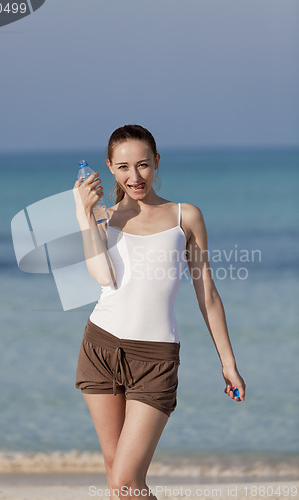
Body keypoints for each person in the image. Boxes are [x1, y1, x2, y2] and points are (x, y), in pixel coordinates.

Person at [73, 124, 246, 500]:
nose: (134, 177)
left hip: (155, 358)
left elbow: (208, 294)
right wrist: (82, 213)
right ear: (109, 167)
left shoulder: (186, 217)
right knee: (115, 474)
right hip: (100, 347)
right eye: (123, 167)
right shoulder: (104, 216)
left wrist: (228, 362)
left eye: (143, 165)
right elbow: (103, 277)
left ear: (156, 162)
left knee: (126, 481)